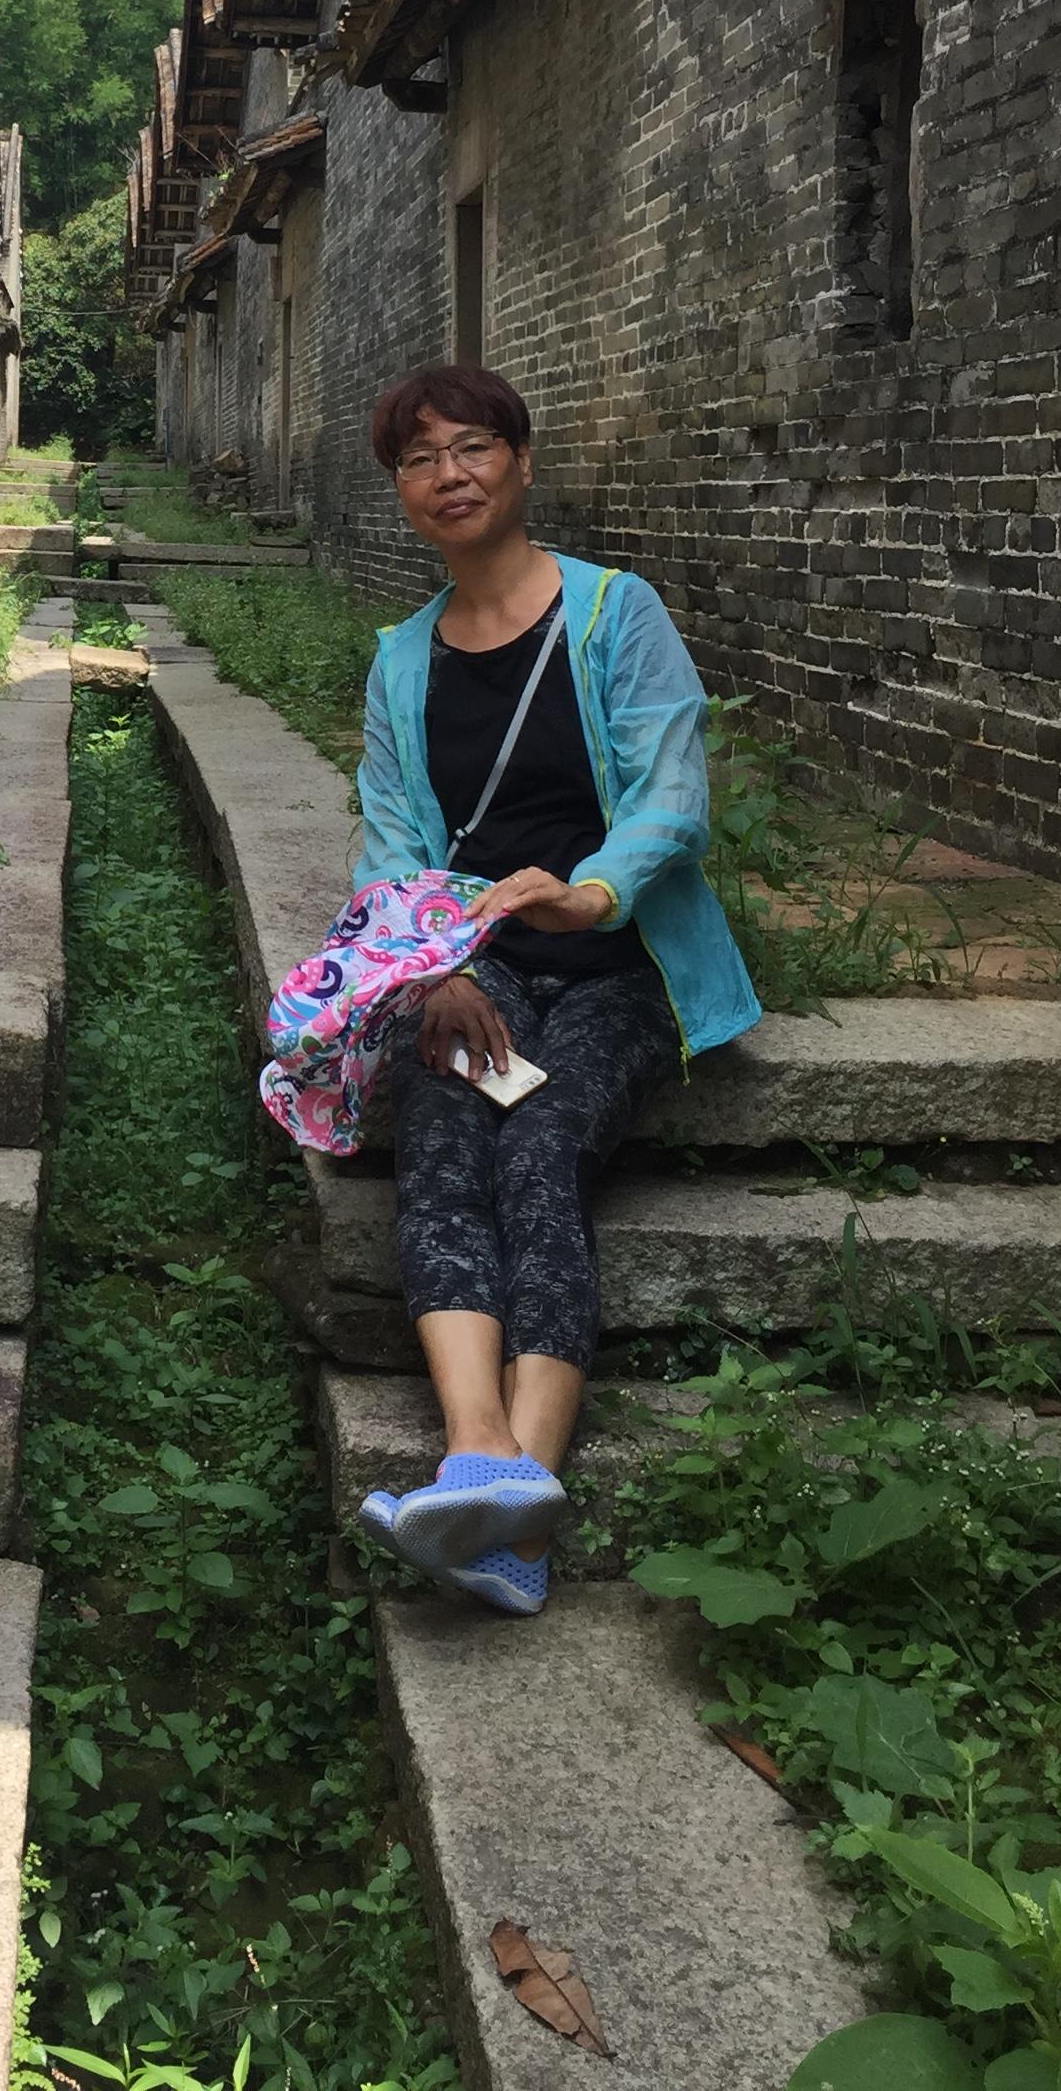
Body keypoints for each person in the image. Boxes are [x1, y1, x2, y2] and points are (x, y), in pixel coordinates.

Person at [351, 364, 757, 1618]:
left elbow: (671, 797)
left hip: (621, 957)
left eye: (474, 449)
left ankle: (520, 1478)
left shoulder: (613, 614)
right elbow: (390, 844)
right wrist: (443, 972)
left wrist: (588, 893)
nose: (451, 476)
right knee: (443, 1122)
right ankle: (482, 1458)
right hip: (480, 964)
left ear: (522, 464)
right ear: (405, 494)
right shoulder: (402, 659)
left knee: (542, 1143)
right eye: (423, 461)